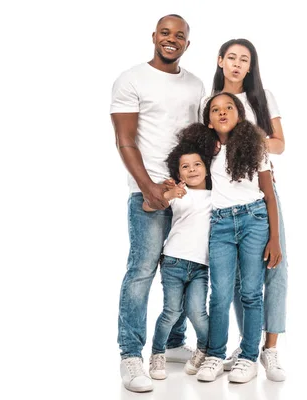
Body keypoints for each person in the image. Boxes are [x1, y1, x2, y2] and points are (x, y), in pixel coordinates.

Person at [109, 14, 205, 393]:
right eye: (165, 33)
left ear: (186, 43)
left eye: (179, 36)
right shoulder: (131, 78)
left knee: (182, 267)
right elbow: (125, 140)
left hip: (188, 194)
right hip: (148, 191)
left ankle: (174, 343)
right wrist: (149, 188)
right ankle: (131, 355)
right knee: (142, 270)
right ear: (154, 37)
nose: (171, 39)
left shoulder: (195, 84)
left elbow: (200, 140)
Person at [205, 38, 289, 382]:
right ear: (221, 61)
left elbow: (280, 144)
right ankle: (245, 346)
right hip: (224, 201)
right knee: (234, 281)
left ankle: (269, 349)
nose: (238, 64)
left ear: (250, 66)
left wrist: (246, 136)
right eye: (232, 58)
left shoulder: (261, 97)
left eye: (245, 59)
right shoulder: (208, 102)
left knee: (274, 269)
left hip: (260, 193)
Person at [191, 93, 282, 384]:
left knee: (252, 292)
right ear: (208, 120)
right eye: (215, 109)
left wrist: (275, 240)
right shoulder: (206, 151)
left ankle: (248, 358)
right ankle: (215, 355)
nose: (221, 112)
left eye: (228, 107)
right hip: (220, 224)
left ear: (239, 115)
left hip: (254, 220)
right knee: (219, 293)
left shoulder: (255, 148)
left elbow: (269, 196)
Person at [143, 138, 212, 380]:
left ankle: (205, 349)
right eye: (185, 166)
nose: (192, 169)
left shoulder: (215, 196)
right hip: (173, 262)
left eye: (197, 164)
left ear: (206, 167)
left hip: (201, 265)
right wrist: (169, 192)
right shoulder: (178, 193)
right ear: (178, 171)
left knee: (197, 312)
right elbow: (148, 206)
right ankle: (157, 353)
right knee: (171, 311)